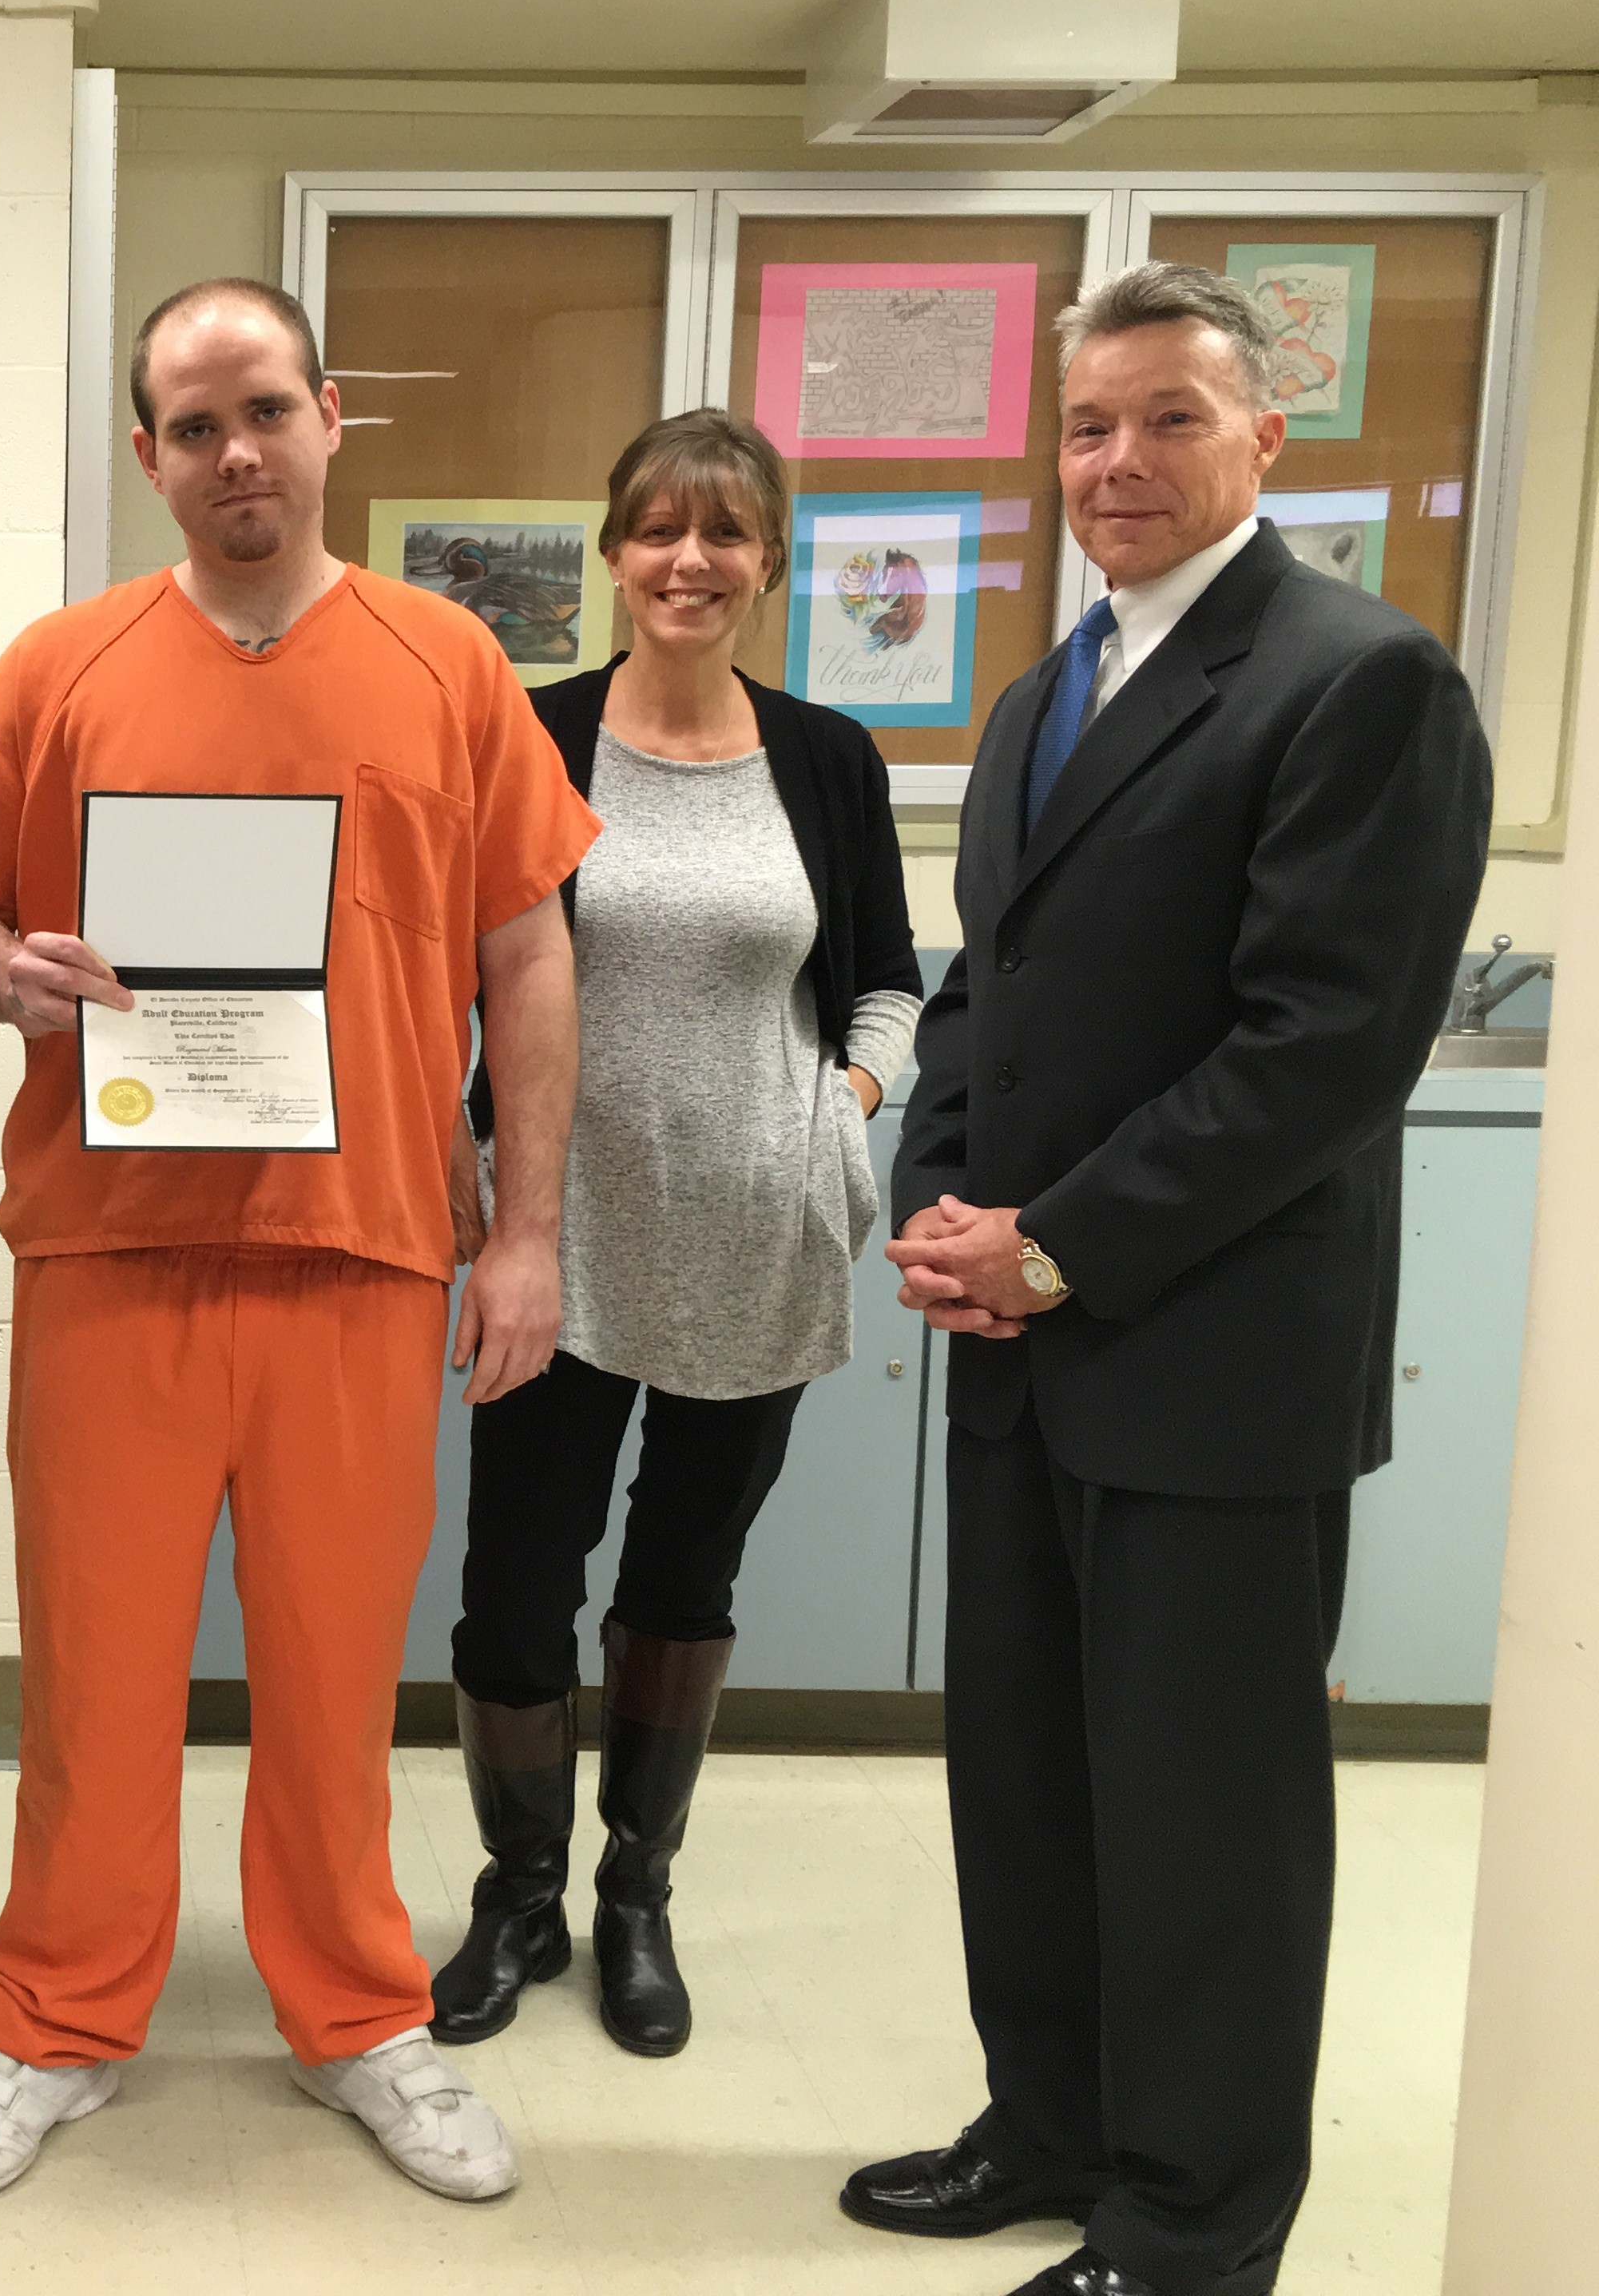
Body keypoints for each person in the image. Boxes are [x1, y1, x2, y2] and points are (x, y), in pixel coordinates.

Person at [0, 278, 597, 2207]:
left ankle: (359, 2012)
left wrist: (524, 1234)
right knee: (96, 1672)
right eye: (193, 427)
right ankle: (54, 2012)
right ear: (148, 456)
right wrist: (6, 974)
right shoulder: (63, 667)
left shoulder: (449, 664)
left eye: (266, 412)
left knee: (329, 1671)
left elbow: (529, 948)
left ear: (329, 419)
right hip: (112, 1253)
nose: (236, 454)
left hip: (364, 1253)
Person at [843, 263, 1490, 2296]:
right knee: (1030, 1775)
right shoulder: (1051, 692)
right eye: (1088, 427)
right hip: (1027, 1344)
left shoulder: (1356, 681)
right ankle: (1052, 2125)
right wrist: (938, 1199)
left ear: (1264, 436)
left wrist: (1056, 1244)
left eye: (1168, 419)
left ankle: (1197, 2225)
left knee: (1206, 1818)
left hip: (1209, 1360)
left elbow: (1322, 1048)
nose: (1119, 462)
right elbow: (991, 1001)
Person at [432, 408, 920, 2059]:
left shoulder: (828, 761)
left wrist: (844, 1111)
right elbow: (450, 976)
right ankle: (520, 1896)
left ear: (768, 564)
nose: (687, 562)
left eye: (722, 534)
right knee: (515, 1584)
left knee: (684, 1581)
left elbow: (888, 984)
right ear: (614, 553)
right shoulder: (530, 733)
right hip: (557, 1241)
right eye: (656, 530)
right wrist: (466, 1173)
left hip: (756, 1234)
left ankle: (637, 1896)